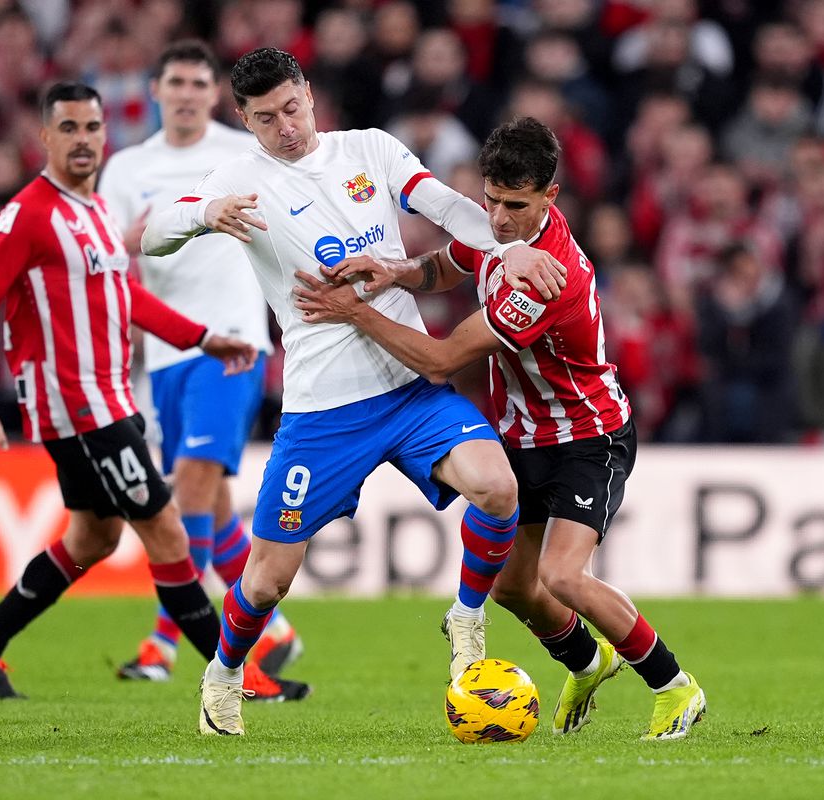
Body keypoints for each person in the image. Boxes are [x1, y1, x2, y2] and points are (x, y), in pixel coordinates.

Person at [143, 48, 567, 736]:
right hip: (323, 412)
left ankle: (465, 617)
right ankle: (223, 673)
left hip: (410, 388)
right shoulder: (239, 178)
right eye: (265, 117)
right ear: (245, 121)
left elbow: (447, 206)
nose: (285, 126)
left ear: (310, 94)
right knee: (266, 582)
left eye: (292, 106)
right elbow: (154, 235)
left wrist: (505, 248)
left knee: (498, 489)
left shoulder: (368, 148)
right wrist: (207, 212)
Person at [293, 117, 707, 741]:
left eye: (517, 205)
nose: (500, 219)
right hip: (524, 435)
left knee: (562, 576)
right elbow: (447, 265)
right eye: (490, 201)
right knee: (513, 585)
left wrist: (355, 313)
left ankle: (676, 687)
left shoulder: (548, 275)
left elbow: (441, 359)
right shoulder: (496, 237)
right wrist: (393, 272)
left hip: (587, 435)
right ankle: (588, 664)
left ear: (551, 197)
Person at [0, 81, 274, 701]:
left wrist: (202, 338)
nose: (82, 140)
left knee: (92, 537)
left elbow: (125, 296)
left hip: (109, 399)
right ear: (44, 136)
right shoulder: (27, 216)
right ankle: (238, 674)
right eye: (68, 128)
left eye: (92, 128)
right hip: (77, 407)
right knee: (168, 532)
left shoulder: (95, 211)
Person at [97, 39, 305, 694]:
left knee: (185, 488)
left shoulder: (240, 156)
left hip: (233, 341)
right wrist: (152, 232)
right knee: (210, 510)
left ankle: (164, 643)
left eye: (198, 83)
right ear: (154, 90)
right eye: (175, 82)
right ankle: (274, 631)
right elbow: (106, 253)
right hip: (163, 352)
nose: (186, 93)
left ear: (216, 95)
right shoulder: (127, 168)